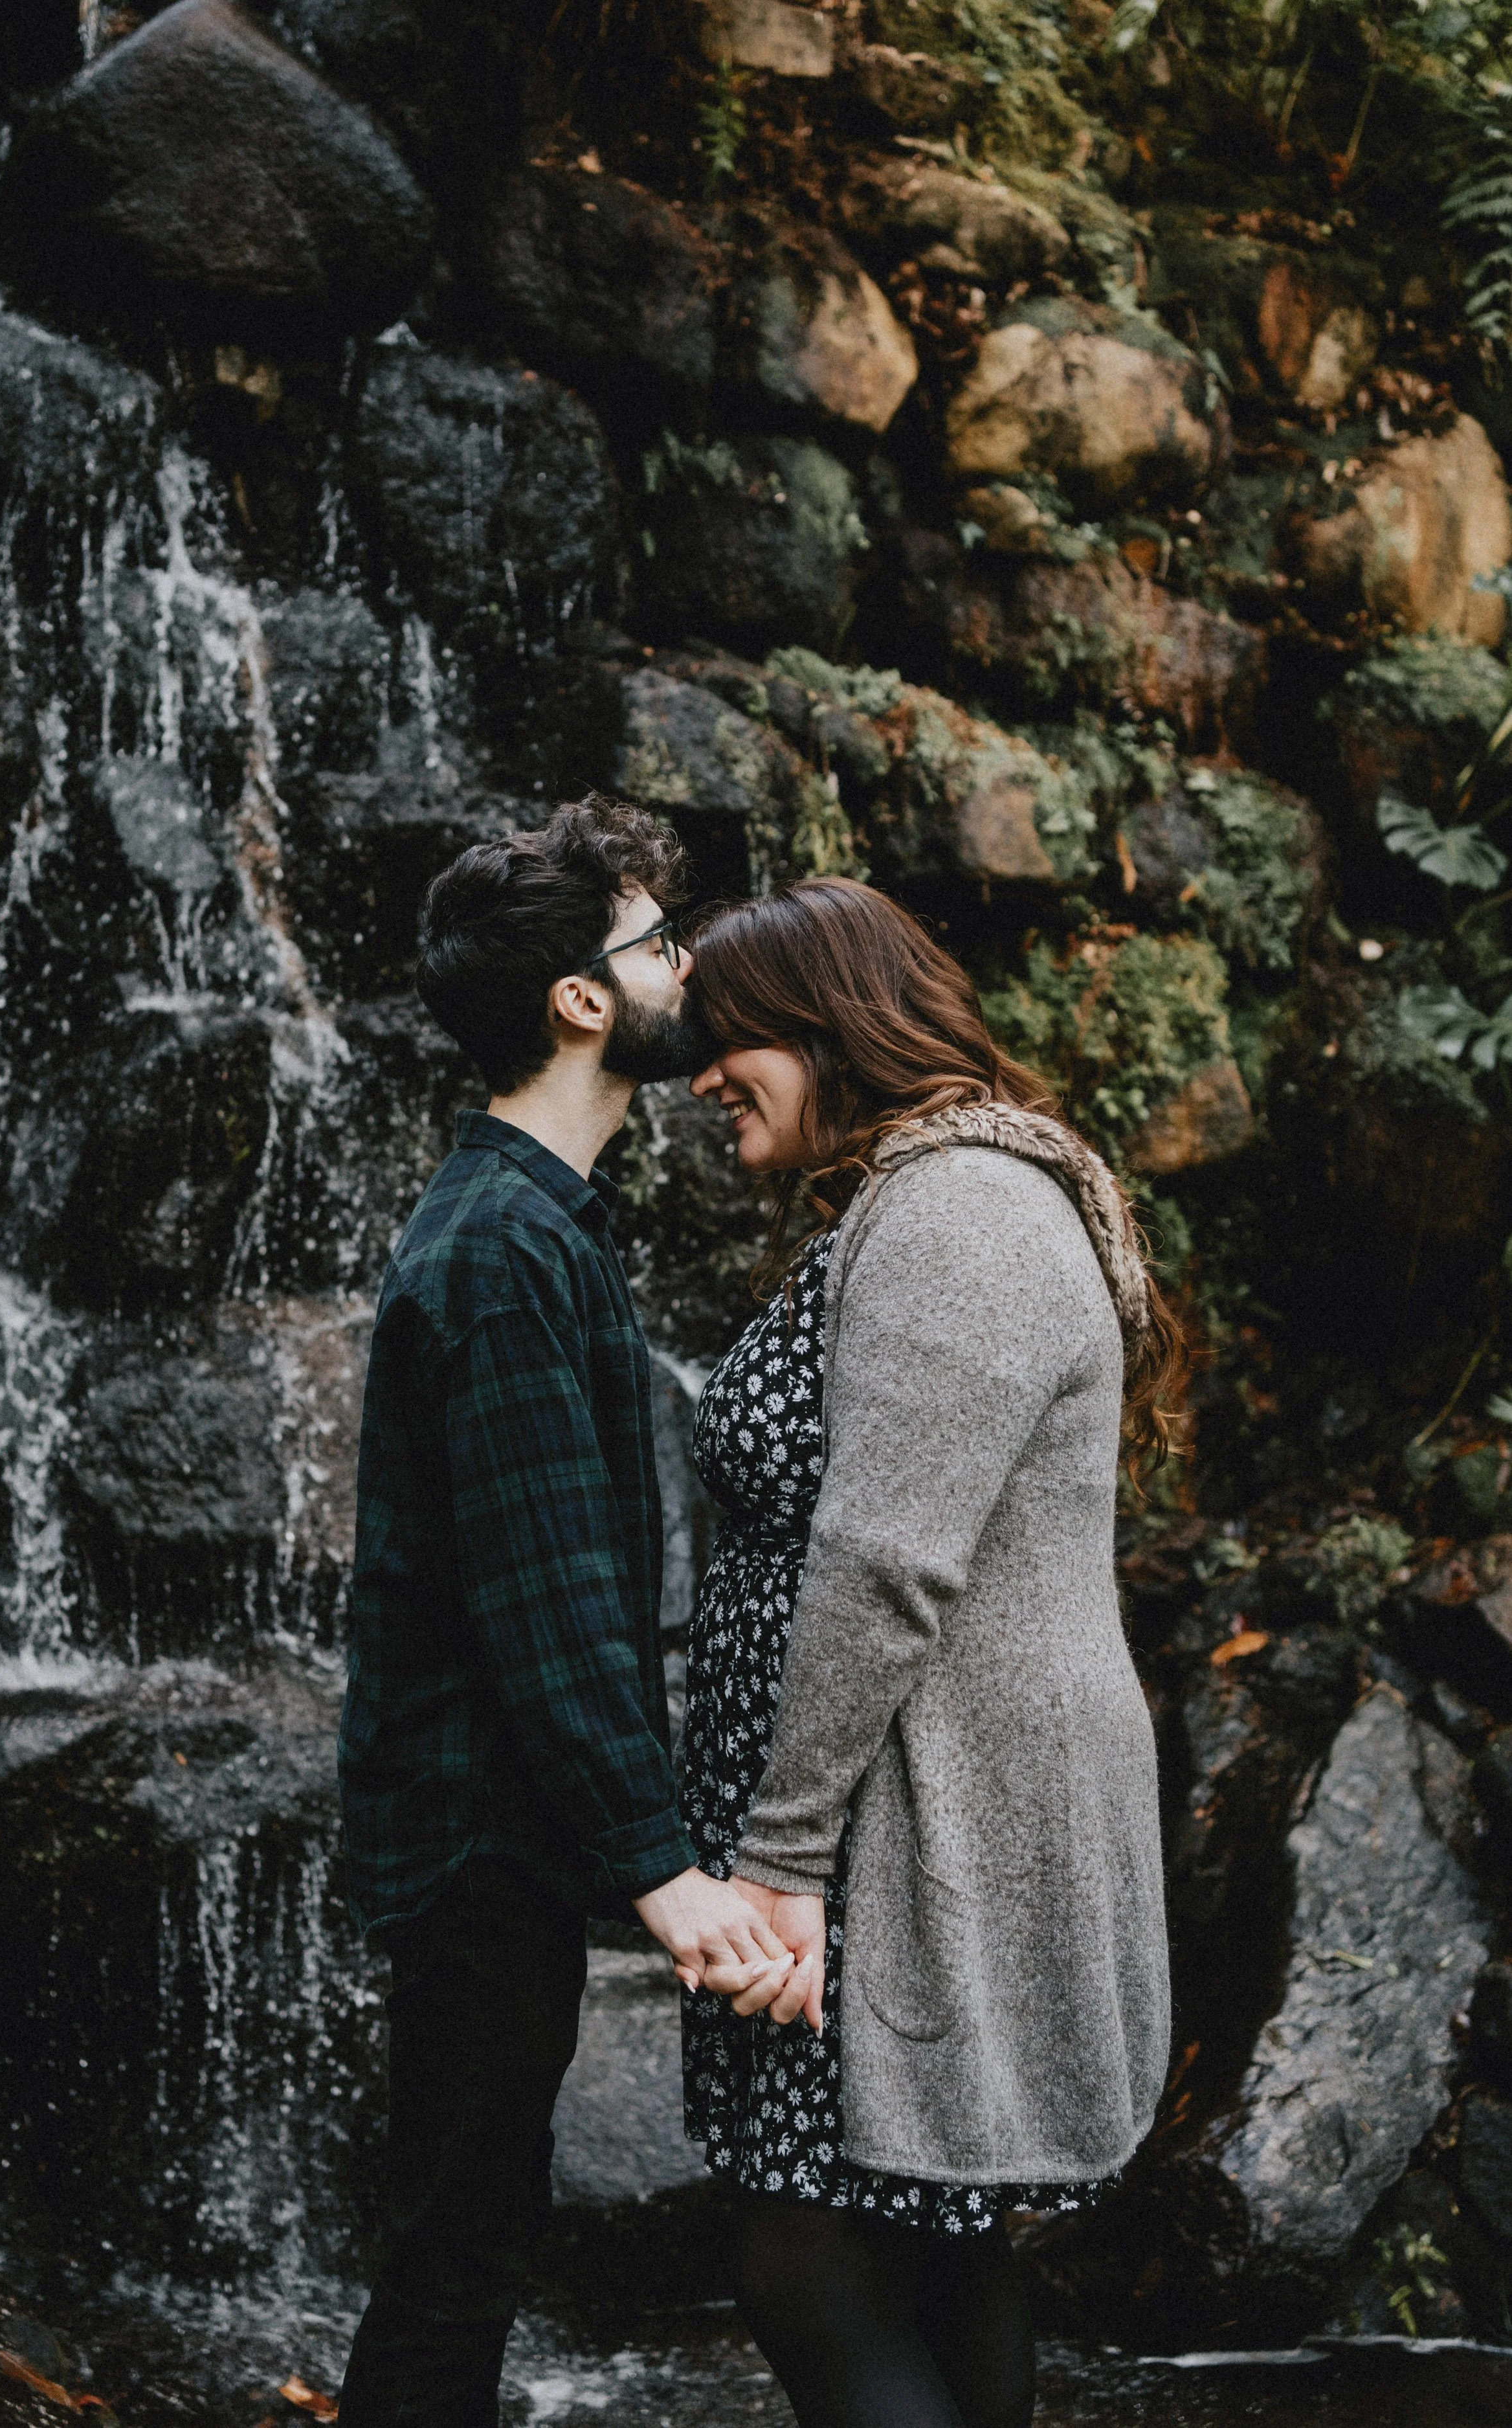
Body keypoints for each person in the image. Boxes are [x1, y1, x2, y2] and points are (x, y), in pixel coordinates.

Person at [674, 877, 1182, 2428]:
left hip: (910, 1824)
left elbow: (887, 1561)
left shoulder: (958, 1210)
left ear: (823, 1026)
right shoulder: (925, 1197)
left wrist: (778, 1859)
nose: (698, 1072)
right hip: (899, 1804)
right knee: (924, 2242)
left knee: (802, 2258)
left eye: (726, 1037)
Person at [335, 795, 794, 2427]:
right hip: (479, 1844)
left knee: (470, 2236)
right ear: (583, 1001)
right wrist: (664, 1878)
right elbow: (545, 1605)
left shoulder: (538, 1230)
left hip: (494, 1835)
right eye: (661, 944)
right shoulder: (502, 1254)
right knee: (457, 2256)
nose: (692, 966)